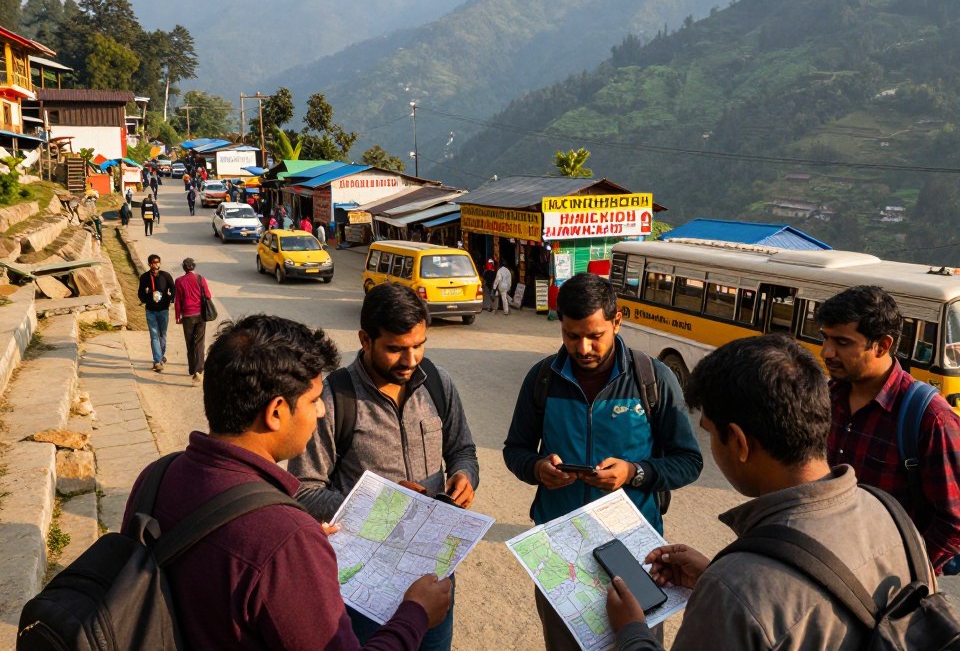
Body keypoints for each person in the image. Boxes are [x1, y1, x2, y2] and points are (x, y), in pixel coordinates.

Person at [121, 314, 451, 649]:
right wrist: (416, 613)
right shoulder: (285, 538)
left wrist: (294, 554)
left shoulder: (156, 475)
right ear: (276, 412)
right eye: (313, 400)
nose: (321, 412)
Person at [606, 334, 924, 650]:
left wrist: (631, 629)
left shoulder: (736, 585)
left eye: (711, 434)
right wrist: (714, 580)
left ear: (740, 443)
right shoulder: (890, 513)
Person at [503, 273, 702, 651]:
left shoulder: (652, 378)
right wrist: (537, 469)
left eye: (595, 335)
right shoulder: (542, 378)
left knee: (634, 642)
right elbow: (516, 450)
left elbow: (688, 461)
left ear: (617, 321)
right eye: (571, 335)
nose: (583, 348)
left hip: (632, 548)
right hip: (560, 550)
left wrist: (634, 472)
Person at [289, 282, 479, 651]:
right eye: (396, 349)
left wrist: (464, 476)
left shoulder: (439, 384)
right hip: (365, 585)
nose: (410, 360)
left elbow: (464, 450)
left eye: (419, 345)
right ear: (365, 340)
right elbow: (303, 490)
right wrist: (379, 504)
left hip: (433, 572)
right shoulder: (333, 398)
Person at [817, 285, 960, 574]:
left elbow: (953, 520)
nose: (827, 352)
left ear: (882, 345)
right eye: (826, 338)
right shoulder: (825, 397)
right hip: (824, 563)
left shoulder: (930, 418)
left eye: (842, 342)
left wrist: (908, 575)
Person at [174, 258, 212, 385]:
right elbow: (208, 295)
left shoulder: (179, 281)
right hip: (200, 315)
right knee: (199, 343)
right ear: (193, 267)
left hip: (187, 316)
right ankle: (199, 370)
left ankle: (192, 368)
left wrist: (177, 317)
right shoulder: (201, 279)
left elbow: (177, 300)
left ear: (184, 268)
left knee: (189, 342)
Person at [137, 254, 175, 372]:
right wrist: (148, 298)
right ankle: (157, 361)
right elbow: (140, 293)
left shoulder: (165, 275)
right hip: (151, 311)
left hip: (163, 310)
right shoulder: (144, 277)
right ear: (149, 264)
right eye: (154, 262)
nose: (156, 264)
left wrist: (169, 299)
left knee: (162, 335)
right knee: (154, 336)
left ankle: (161, 355)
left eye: (158, 262)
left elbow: (173, 289)